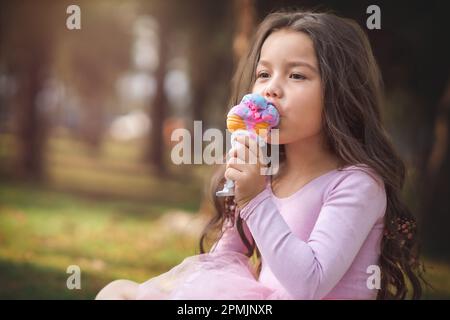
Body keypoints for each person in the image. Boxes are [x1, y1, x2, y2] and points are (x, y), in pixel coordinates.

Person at [96, 10, 425, 300]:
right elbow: (226, 257)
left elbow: (309, 284)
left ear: (340, 92)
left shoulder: (358, 183)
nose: (271, 89)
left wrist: (255, 198)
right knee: (118, 292)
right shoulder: (269, 170)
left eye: (297, 75)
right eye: (264, 74)